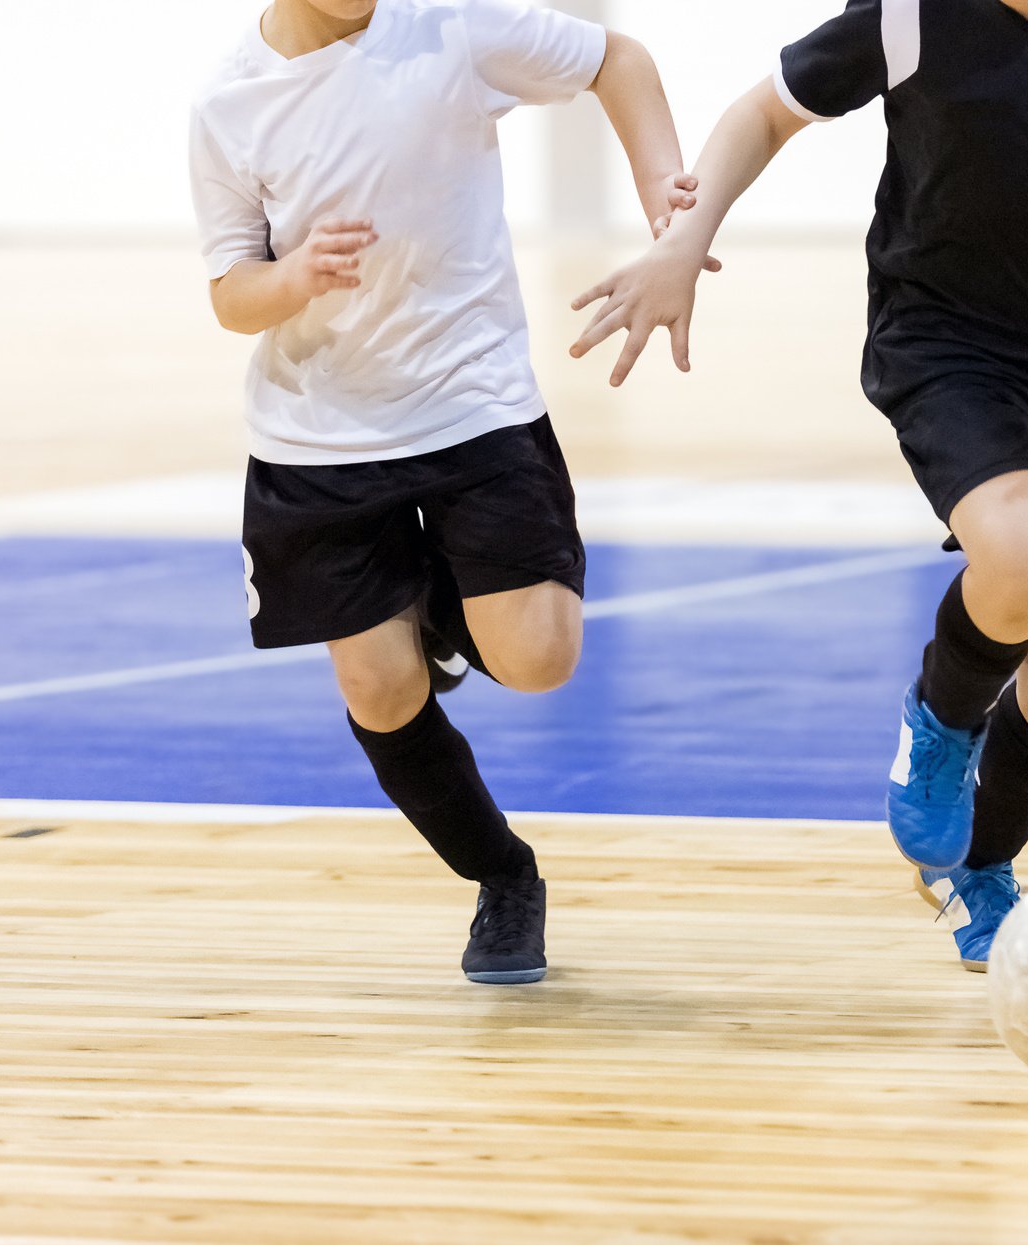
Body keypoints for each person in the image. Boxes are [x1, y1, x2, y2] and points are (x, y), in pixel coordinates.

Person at [569, 0, 1028, 968]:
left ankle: (977, 867)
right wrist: (682, 240)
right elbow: (765, 112)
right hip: (948, 344)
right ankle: (940, 719)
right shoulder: (915, 14)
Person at [188, 0, 698, 983]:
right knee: (380, 691)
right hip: (318, 435)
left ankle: (435, 603)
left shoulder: (450, 27)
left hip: (473, 405)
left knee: (541, 659)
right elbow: (228, 295)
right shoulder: (229, 102)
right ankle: (505, 879)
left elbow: (618, 59)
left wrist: (662, 200)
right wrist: (291, 277)